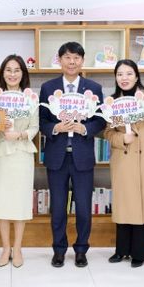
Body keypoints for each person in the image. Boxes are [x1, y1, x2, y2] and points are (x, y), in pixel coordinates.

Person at [39, 41, 106, 268]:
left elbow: (101, 120)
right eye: (67, 57)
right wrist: (55, 128)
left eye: (76, 58)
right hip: (57, 157)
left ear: (82, 61)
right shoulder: (48, 88)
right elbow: (42, 121)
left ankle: (81, 250)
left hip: (82, 156)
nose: (72, 62)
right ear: (60, 60)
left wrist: (84, 129)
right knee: (58, 208)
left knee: (84, 208)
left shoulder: (93, 88)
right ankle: (59, 250)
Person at [103, 59, 144, 267]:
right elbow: (108, 132)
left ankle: (140, 253)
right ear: (115, 78)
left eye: (129, 73)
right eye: (120, 74)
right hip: (123, 157)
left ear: (137, 76)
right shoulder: (112, 102)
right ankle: (121, 250)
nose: (124, 78)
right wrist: (122, 138)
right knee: (124, 204)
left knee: (143, 203)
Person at [0, 55, 39, 268]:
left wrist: (19, 134)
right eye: (8, 70)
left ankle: (17, 248)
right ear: (2, 74)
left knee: (20, 202)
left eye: (16, 70)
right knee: (1, 202)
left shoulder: (31, 98)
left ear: (23, 73)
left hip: (22, 153)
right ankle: (5, 247)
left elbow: (35, 127)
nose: (12, 74)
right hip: (1, 154)